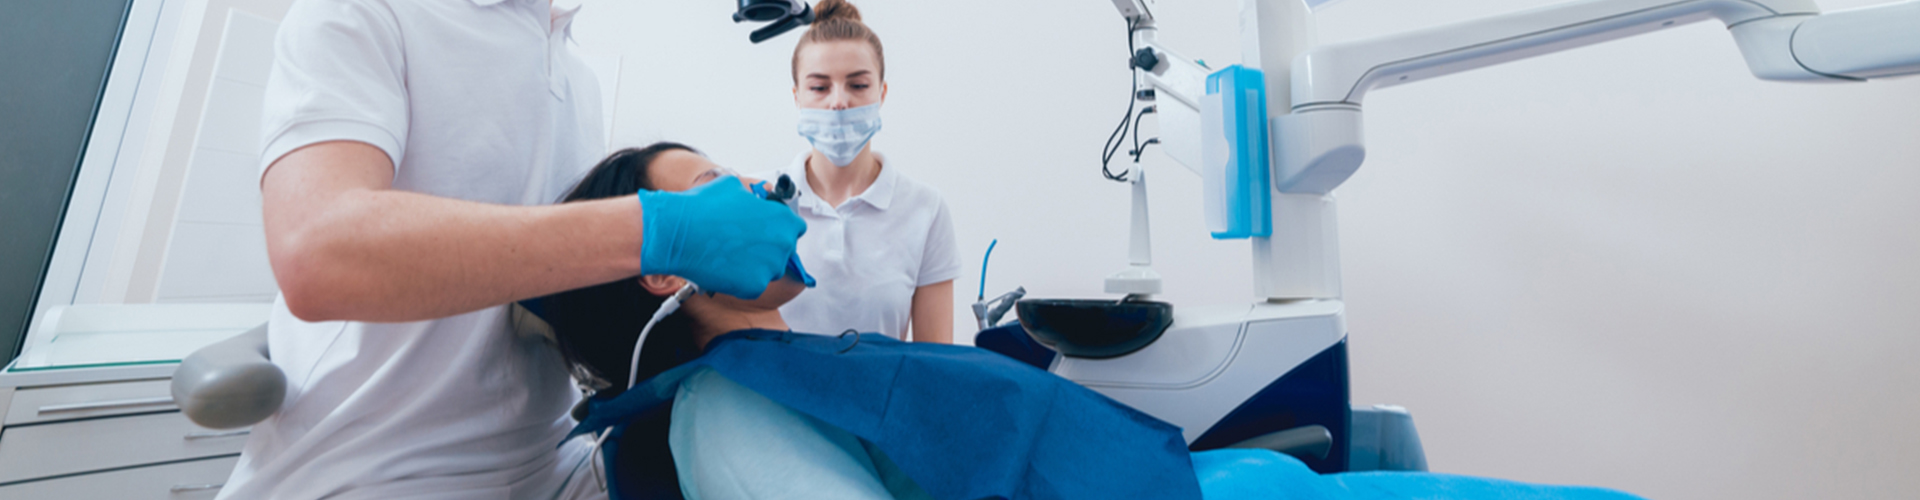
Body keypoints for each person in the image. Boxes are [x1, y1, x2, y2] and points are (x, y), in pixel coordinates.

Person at [539, 143, 1653, 500]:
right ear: (655, 268)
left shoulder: (787, 363)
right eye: (715, 192)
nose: (755, 199)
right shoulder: (726, 410)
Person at [223, 1, 804, 498]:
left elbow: (544, 281)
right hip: (380, 469)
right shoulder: (367, 15)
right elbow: (318, 251)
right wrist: (660, 233)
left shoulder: (577, 75)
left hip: (553, 465)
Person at [769, 0, 960, 343]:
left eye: (857, 86)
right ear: (796, 96)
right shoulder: (764, 202)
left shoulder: (924, 209)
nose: (839, 102)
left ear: (881, 93)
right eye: (819, 87)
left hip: (882, 397)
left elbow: (934, 363)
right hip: (773, 398)